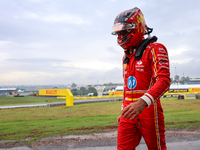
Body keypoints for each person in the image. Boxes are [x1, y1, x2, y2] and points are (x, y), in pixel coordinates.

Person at [111, 7, 170, 150]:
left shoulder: (155, 48)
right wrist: (123, 110)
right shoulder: (126, 56)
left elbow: (164, 81)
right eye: (118, 32)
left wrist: (142, 103)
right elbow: (127, 86)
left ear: (136, 27)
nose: (121, 35)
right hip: (128, 112)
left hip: (150, 110)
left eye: (124, 30)